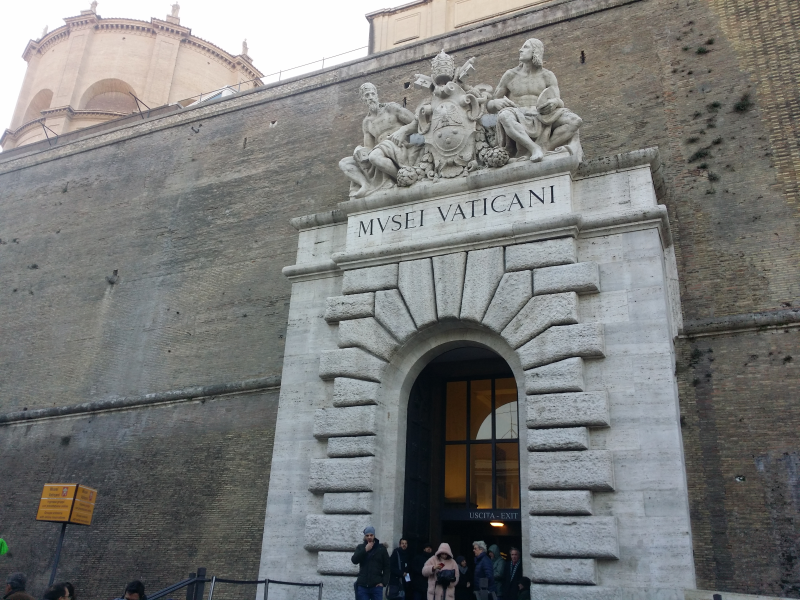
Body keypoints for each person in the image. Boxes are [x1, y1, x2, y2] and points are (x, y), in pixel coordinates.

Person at [487, 38, 582, 162]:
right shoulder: (510, 75)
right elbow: (490, 106)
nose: (520, 50)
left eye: (525, 47)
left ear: (535, 51)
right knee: (504, 116)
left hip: (542, 116)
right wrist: (495, 102)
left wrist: (554, 102)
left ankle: (544, 148)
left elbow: (559, 101)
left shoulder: (547, 75)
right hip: (518, 114)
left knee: (575, 121)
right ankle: (533, 148)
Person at [338, 83, 422, 198]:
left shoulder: (391, 108)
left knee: (374, 157)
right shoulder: (366, 122)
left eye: (372, 94)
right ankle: (365, 185)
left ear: (377, 95)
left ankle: (403, 178)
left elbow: (418, 122)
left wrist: (403, 130)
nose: (370, 97)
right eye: (367, 95)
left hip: (402, 144)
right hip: (383, 150)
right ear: (363, 100)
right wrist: (359, 152)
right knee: (344, 163)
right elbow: (368, 148)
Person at [351, 526, 390, 600]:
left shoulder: (381, 549)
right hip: (363, 586)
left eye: (371, 535)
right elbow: (354, 560)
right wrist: (365, 550)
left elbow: (387, 567)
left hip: (376, 586)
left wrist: (383, 582)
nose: (369, 537)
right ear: (365, 536)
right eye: (367, 535)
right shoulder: (360, 547)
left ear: (374, 536)